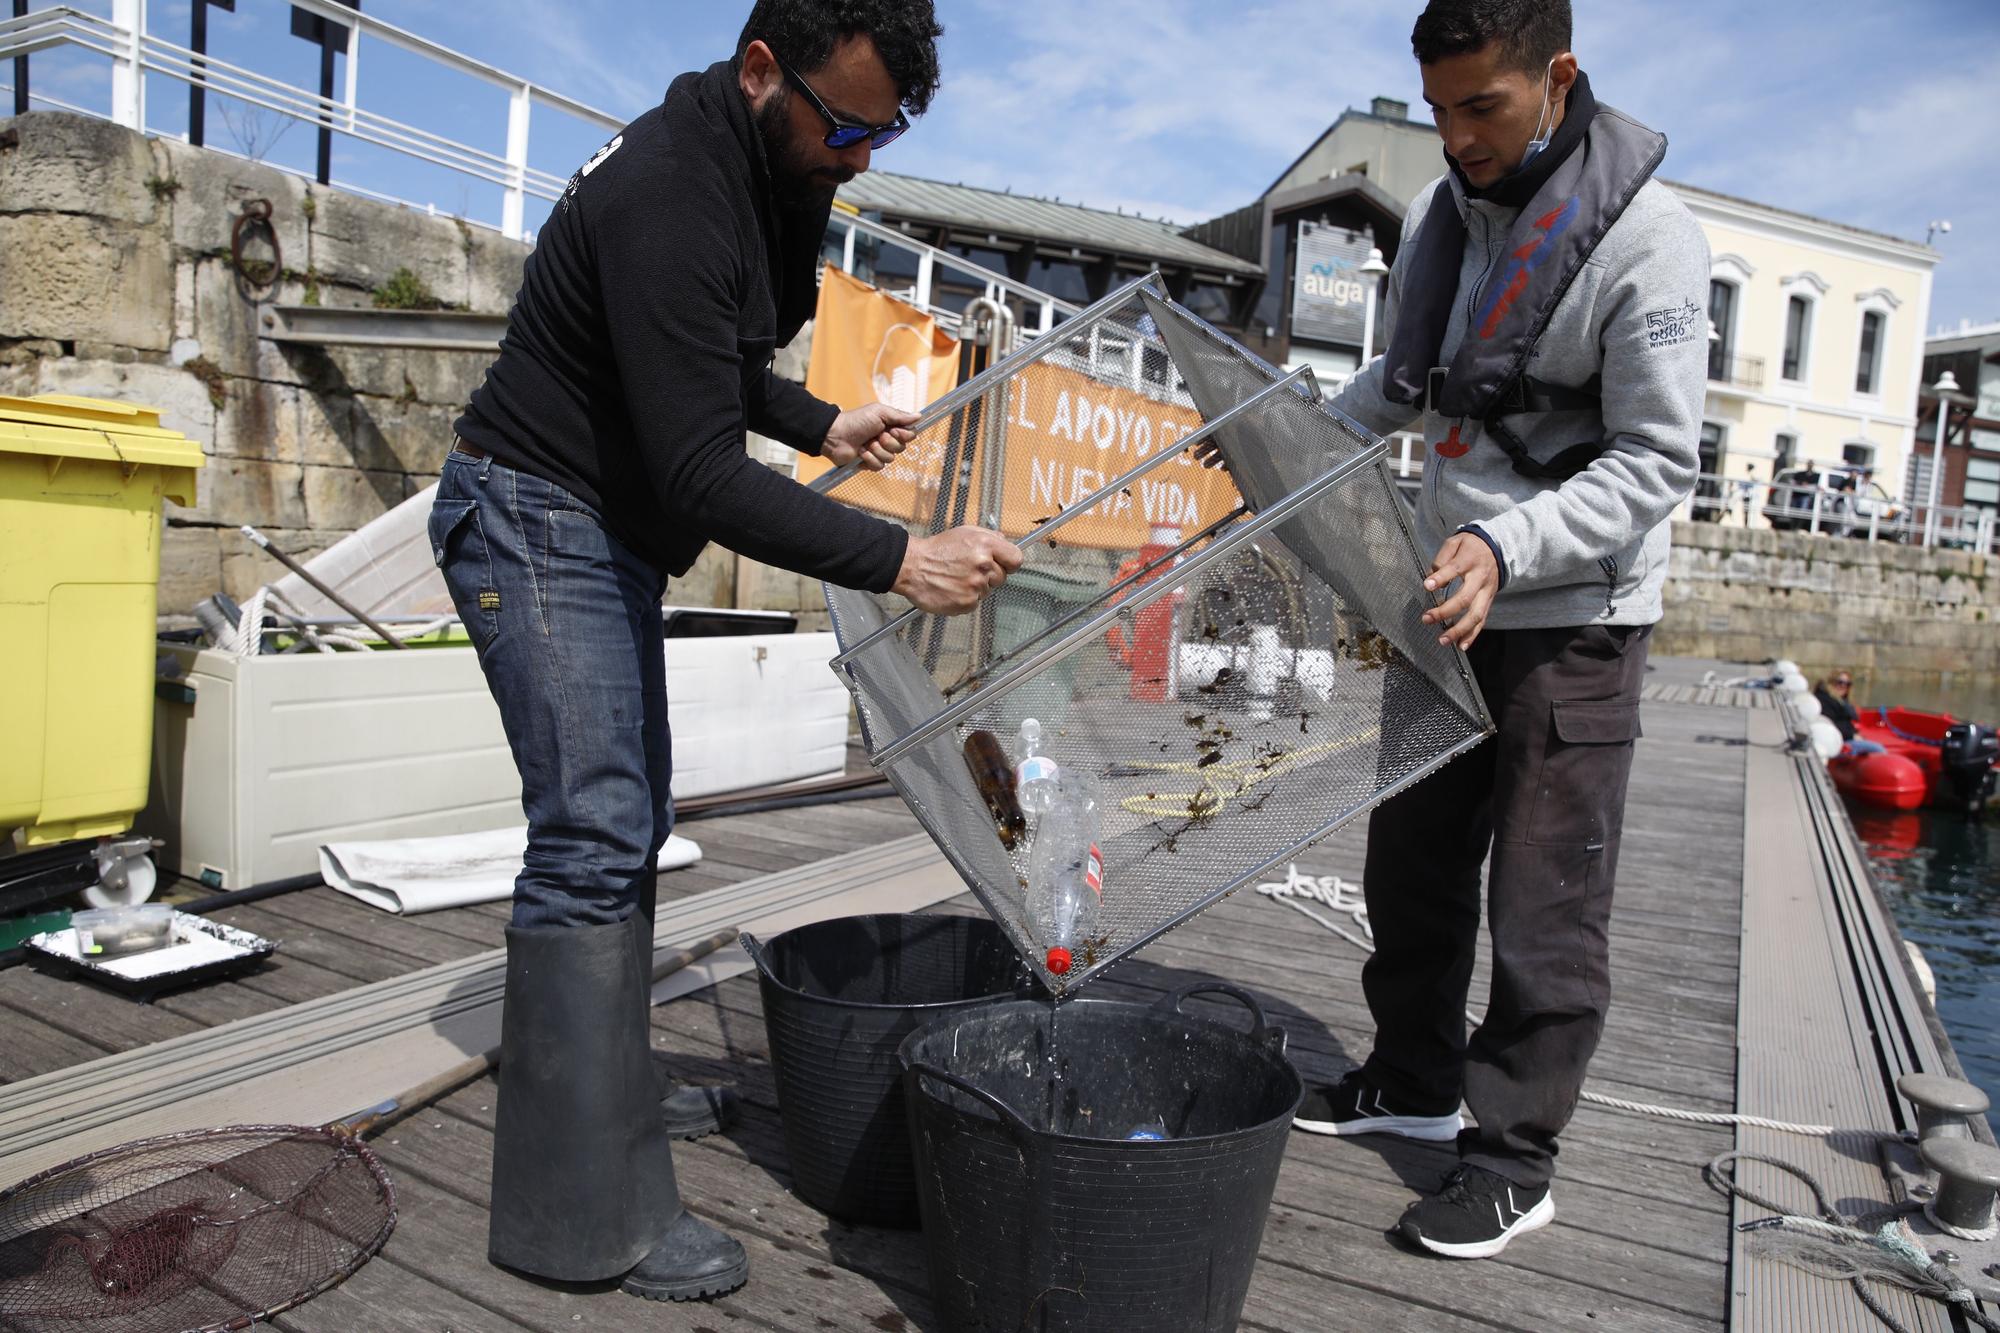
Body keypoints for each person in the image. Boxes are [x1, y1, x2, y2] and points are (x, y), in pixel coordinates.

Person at [431, 0, 1021, 1303]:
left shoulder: (775, 156)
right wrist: (902, 560)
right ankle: (578, 1220)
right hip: (530, 511)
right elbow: (699, 469)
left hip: (596, 520)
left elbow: (712, 363)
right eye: (849, 126)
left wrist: (829, 418)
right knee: (592, 830)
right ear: (765, 69)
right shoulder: (670, 187)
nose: (862, 157)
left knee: (623, 821)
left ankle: (608, 1102)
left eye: (886, 133)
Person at [1281, 0, 1708, 1259]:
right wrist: (1282, 441)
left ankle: (1515, 1153)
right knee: (1407, 862)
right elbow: (1397, 385)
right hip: (1442, 600)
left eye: (1485, 108)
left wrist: (1507, 544)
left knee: (1543, 903)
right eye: (1438, 112)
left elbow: (1653, 459)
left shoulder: (1650, 243)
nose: (1457, 138)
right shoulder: (1442, 215)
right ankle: (1406, 1074)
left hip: (1570, 618)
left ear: (1556, 75)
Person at [1816, 670, 1860, 741]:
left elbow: (1845, 723)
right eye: (1840, 682)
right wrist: (1852, 735)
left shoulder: (1841, 702)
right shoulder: (1824, 700)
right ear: (1831, 683)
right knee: (1878, 749)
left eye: (1847, 684)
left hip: (1845, 737)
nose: (1843, 686)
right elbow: (1830, 724)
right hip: (1835, 741)